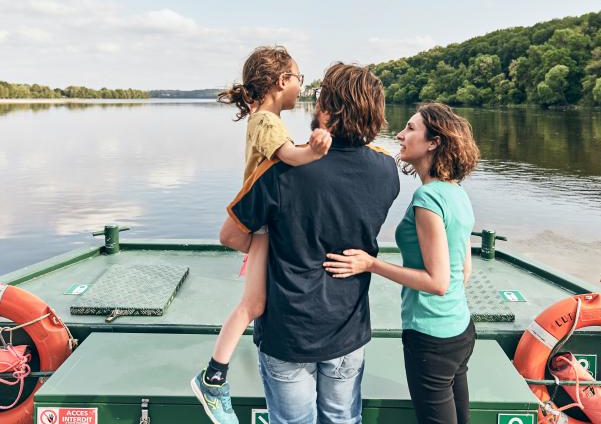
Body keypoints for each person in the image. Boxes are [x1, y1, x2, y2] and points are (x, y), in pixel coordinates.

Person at [219, 62, 400, 424]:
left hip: (289, 331)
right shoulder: (386, 170)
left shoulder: (283, 170)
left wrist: (274, 242)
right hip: (347, 327)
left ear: (326, 111)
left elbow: (231, 236)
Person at [191, 45, 332, 424]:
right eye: (299, 78)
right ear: (280, 81)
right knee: (251, 306)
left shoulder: (262, 118)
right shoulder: (268, 122)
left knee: (254, 303)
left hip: (262, 222)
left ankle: (215, 376)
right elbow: (288, 157)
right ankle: (213, 379)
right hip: (264, 221)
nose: (301, 86)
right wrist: (316, 150)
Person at [324, 102, 479, 424]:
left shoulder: (428, 198)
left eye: (410, 128)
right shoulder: (456, 193)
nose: (400, 134)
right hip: (460, 330)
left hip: (431, 336)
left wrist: (370, 264)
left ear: (434, 142)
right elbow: (463, 271)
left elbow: (438, 283)